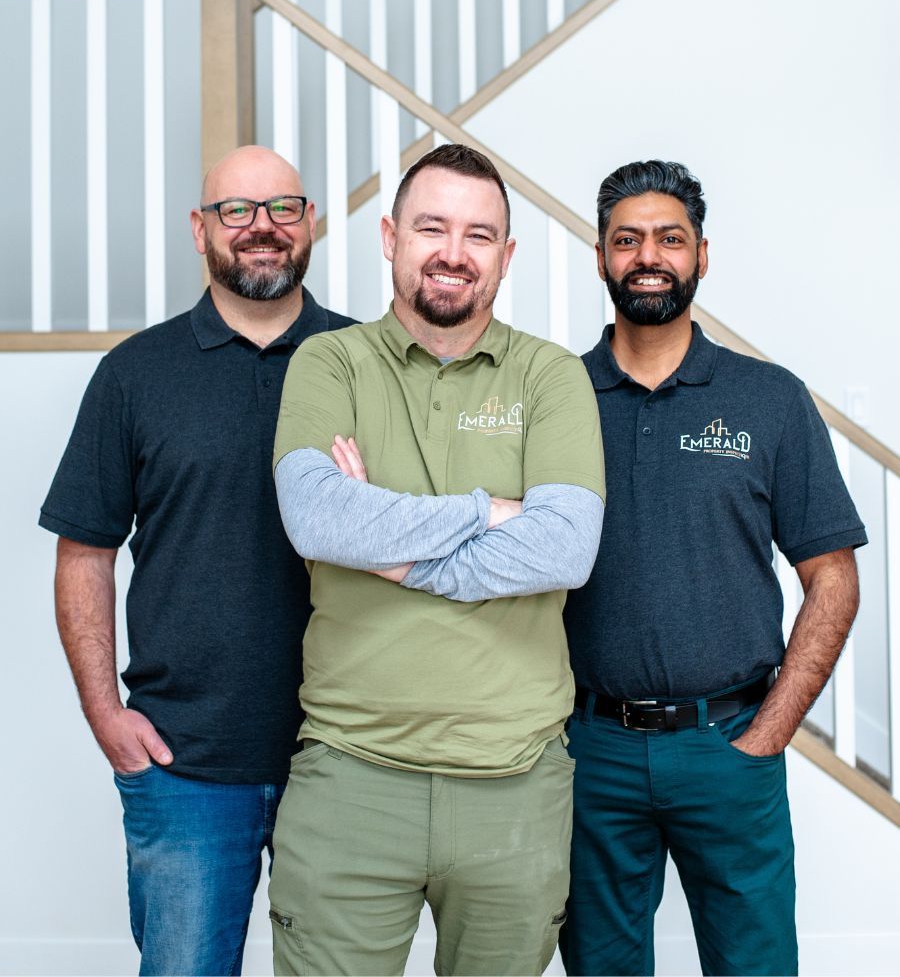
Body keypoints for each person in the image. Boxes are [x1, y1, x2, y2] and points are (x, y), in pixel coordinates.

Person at [268, 142, 605, 977]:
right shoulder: (329, 361)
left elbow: (566, 547)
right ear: (390, 237)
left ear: (506, 256)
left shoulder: (551, 376)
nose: (454, 252)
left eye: (478, 235)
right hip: (351, 776)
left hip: (515, 783)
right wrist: (488, 512)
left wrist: (387, 552)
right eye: (431, 227)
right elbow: (316, 518)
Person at [40, 145, 354, 976]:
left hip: (348, 755)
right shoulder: (135, 374)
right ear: (199, 228)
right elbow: (84, 552)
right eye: (236, 210)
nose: (262, 227)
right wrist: (104, 712)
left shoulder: (368, 360)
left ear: (309, 222)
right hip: (185, 764)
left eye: (282, 208)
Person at [559, 159, 867, 977]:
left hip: (729, 744)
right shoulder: (555, 396)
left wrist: (768, 735)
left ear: (702, 255)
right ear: (601, 257)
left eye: (670, 239)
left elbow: (833, 578)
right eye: (627, 240)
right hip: (592, 752)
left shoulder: (769, 399)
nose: (648, 256)